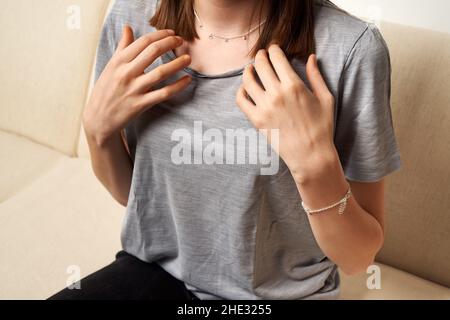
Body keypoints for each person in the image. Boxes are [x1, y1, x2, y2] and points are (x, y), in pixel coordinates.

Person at [49, 0, 402, 300]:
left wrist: (314, 166)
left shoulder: (350, 49)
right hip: (154, 274)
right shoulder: (132, 18)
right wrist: (98, 133)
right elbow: (139, 198)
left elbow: (358, 257)